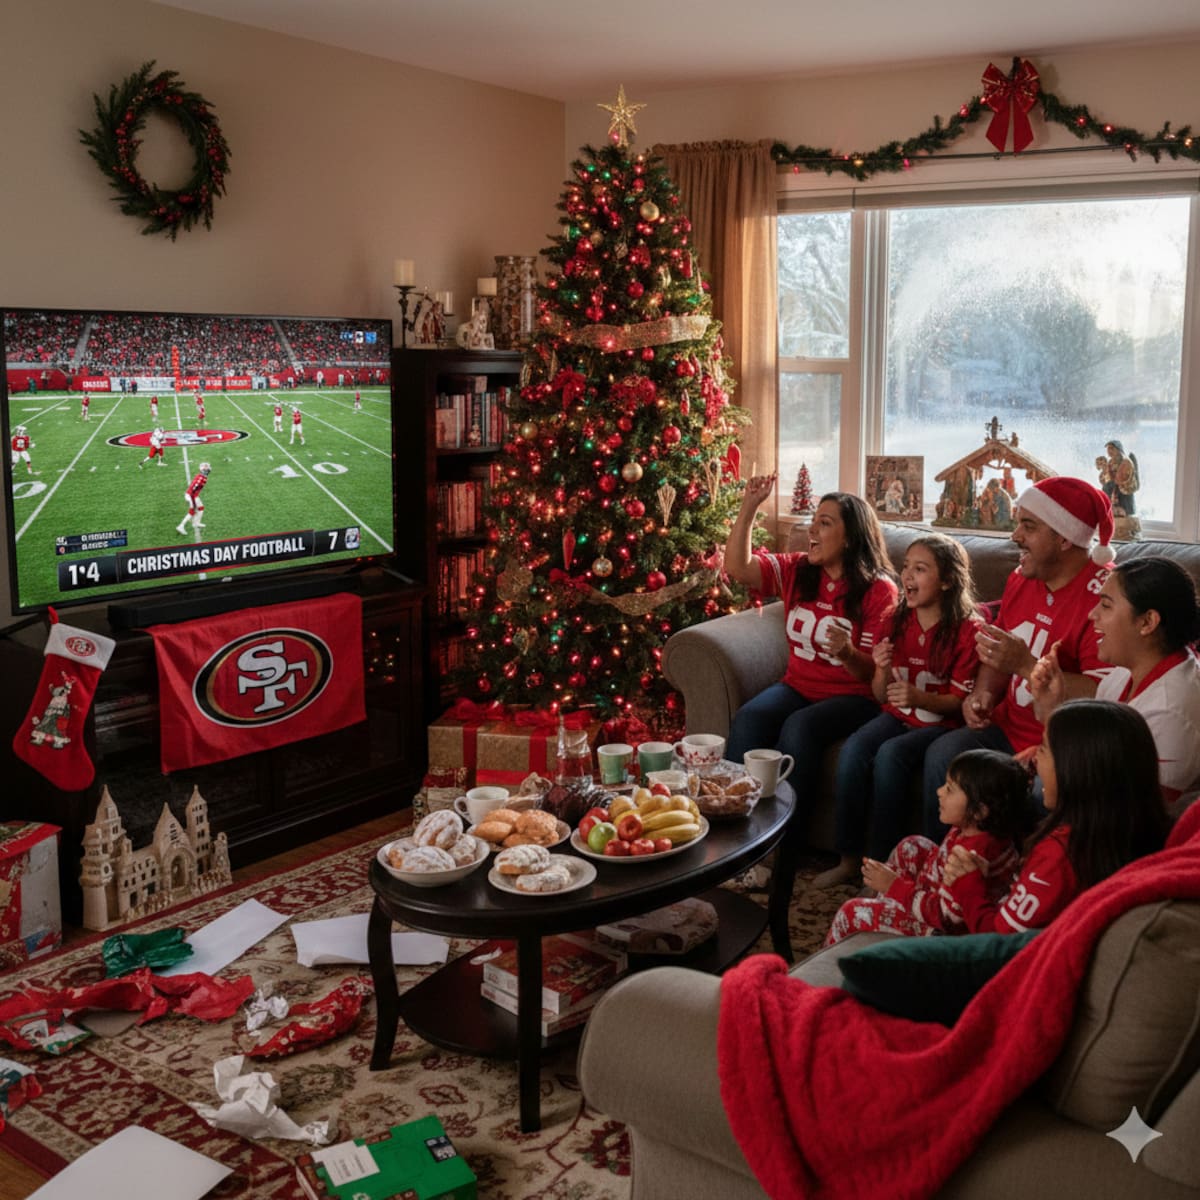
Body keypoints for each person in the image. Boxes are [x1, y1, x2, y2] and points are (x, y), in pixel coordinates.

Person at [921, 477, 1115, 839]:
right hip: (1006, 728)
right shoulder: (1020, 578)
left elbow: (1104, 695)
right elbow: (999, 654)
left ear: (1064, 538)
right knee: (943, 753)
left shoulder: (1105, 596)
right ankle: (941, 863)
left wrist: (1027, 666)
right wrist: (982, 695)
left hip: (1059, 747)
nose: (1015, 536)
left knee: (1041, 795)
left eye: (1029, 526)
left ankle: (1017, 872)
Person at [815, 534, 982, 886]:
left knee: (890, 755)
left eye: (920, 569)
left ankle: (884, 868)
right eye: (906, 566)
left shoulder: (968, 630)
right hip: (897, 715)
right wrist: (882, 669)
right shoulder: (894, 619)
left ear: (947, 581)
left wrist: (919, 699)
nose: (907, 575)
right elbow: (881, 696)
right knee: (854, 749)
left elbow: (957, 703)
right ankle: (848, 859)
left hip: (942, 725)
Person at [724, 476, 897, 787]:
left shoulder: (879, 590)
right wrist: (749, 506)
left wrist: (848, 653)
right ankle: (734, 807)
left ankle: (787, 817)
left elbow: (874, 674)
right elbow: (738, 568)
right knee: (750, 717)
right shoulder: (798, 569)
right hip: (798, 687)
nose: (812, 530)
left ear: (850, 538)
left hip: (855, 698)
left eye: (825, 523)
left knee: (799, 727)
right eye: (813, 521)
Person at [944, 699, 1169, 933]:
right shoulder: (1135, 827)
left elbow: (1000, 942)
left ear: (1074, 770)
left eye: (1043, 748)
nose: (1034, 757)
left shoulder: (1059, 857)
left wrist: (968, 886)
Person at [1030, 555, 1200, 815]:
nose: (1092, 614)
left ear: (1147, 622)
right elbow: (1096, 757)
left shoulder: (1171, 711)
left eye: (1106, 605)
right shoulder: (1124, 671)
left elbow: (1129, 812)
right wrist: (1051, 711)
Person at [824, 749, 1028, 943]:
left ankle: (826, 963)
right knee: (911, 846)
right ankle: (886, 905)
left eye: (949, 789)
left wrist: (894, 886)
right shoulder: (982, 830)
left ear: (979, 812)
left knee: (851, 911)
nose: (939, 792)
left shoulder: (968, 859)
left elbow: (947, 918)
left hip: (942, 933)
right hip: (938, 896)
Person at [177, 462, 211, 535]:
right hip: (191, 495)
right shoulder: (201, 478)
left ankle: (196, 523)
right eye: (207, 468)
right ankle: (181, 526)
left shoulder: (202, 477)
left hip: (193, 495)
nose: (208, 469)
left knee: (201, 508)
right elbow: (193, 489)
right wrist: (191, 500)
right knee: (192, 511)